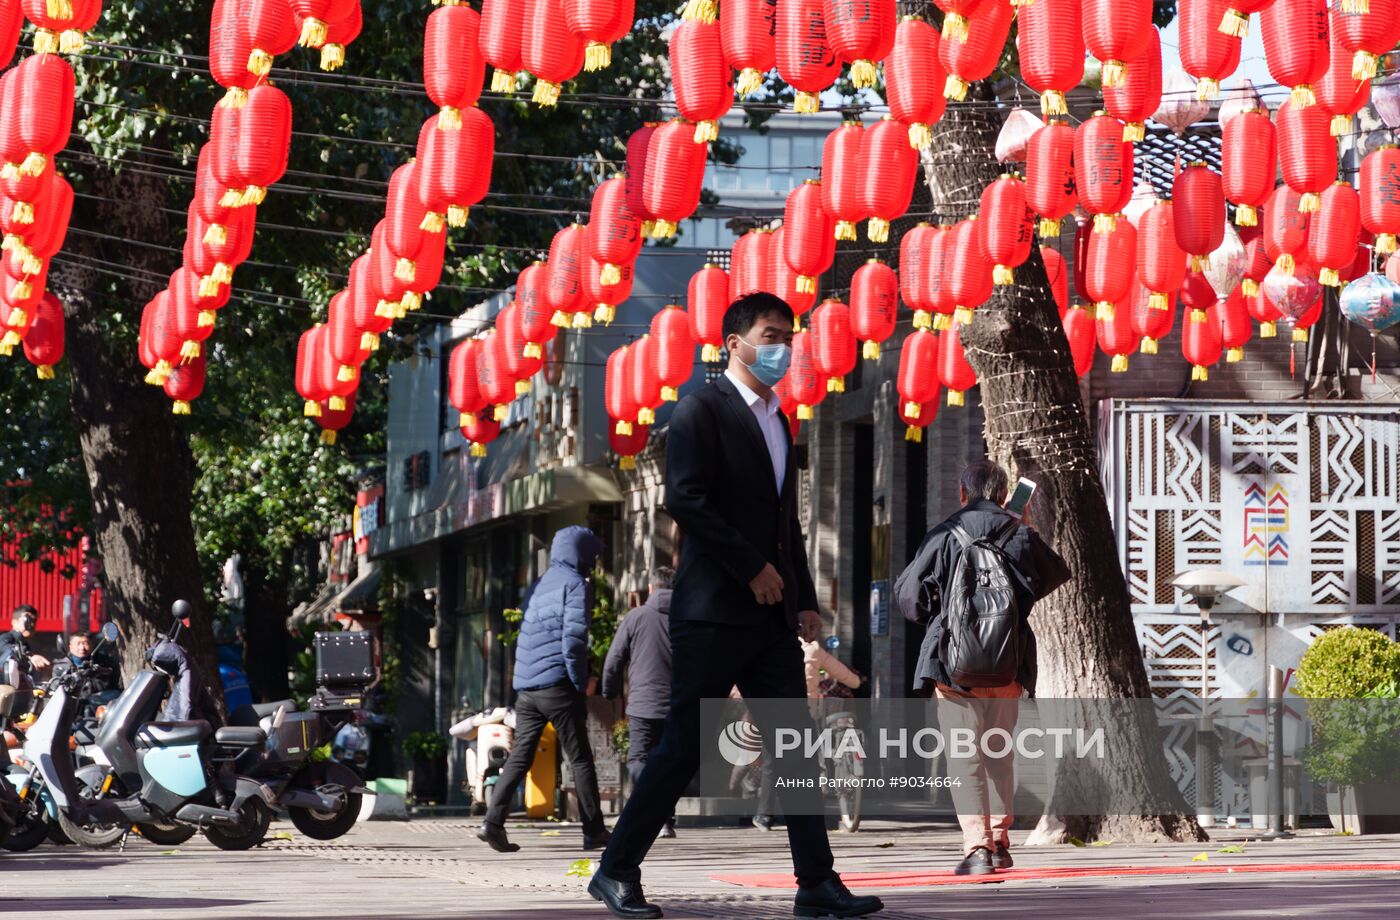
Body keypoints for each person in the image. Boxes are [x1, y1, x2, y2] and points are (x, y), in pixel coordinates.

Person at [590, 293, 883, 920]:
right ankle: (615, 870)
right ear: (735, 343)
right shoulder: (702, 409)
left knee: (798, 746)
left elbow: (787, 524)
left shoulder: (779, 419)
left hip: (771, 616)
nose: (782, 348)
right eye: (770, 335)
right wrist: (751, 569)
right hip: (713, 610)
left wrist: (802, 600)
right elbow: (686, 500)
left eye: (788, 336)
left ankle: (817, 885)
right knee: (685, 747)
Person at [895, 459, 1069, 877]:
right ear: (1005, 495)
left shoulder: (944, 535)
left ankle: (977, 847)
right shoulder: (1020, 532)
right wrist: (1021, 530)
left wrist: (947, 614)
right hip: (1008, 663)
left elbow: (910, 600)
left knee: (963, 755)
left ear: (961, 493)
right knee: (998, 751)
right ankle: (1000, 840)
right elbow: (1054, 575)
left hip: (953, 666)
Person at [479, 525, 610, 854]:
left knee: (520, 756)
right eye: (591, 556)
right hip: (557, 684)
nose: (593, 563)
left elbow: (527, 634)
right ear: (581, 554)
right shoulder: (575, 584)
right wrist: (579, 684)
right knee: (579, 758)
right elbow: (574, 640)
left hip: (527, 688)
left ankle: (492, 822)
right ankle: (593, 831)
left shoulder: (540, 583)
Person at [753, 629, 863, 831]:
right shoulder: (814, 650)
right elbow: (851, 679)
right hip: (805, 713)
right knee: (807, 763)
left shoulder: (769, 645)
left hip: (774, 710)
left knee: (772, 762)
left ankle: (764, 816)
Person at [601, 566, 675, 839]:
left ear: (652, 588)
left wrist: (610, 693)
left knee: (638, 758)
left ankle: (653, 815)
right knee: (669, 763)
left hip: (643, 703)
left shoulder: (636, 617)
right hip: (677, 704)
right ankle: (665, 819)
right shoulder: (685, 618)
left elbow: (614, 659)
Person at [51, 632, 121, 692]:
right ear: (70, 646)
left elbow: (106, 684)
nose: (82, 647)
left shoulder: (103, 662)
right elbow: (55, 685)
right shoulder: (61, 666)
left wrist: (92, 674)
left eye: (85, 643)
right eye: (78, 644)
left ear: (92, 645)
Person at [0, 605, 50, 672]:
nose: (31, 625)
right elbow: (7, 649)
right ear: (14, 622)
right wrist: (29, 656)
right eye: (27, 620)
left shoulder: (25, 645)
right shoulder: (6, 638)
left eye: (34, 621)